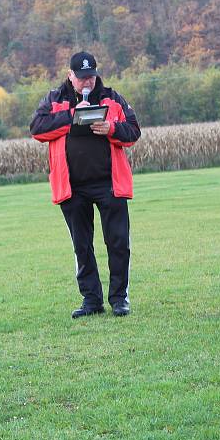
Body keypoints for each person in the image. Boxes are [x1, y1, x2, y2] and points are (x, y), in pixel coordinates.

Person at [30, 51, 141, 318]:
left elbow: (134, 132)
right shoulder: (55, 99)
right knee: (82, 245)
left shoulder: (112, 98)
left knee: (118, 243)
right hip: (72, 186)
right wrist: (72, 116)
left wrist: (111, 128)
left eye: (90, 77)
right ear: (70, 76)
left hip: (109, 184)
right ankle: (91, 300)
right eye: (81, 78)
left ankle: (119, 299)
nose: (87, 83)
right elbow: (37, 129)